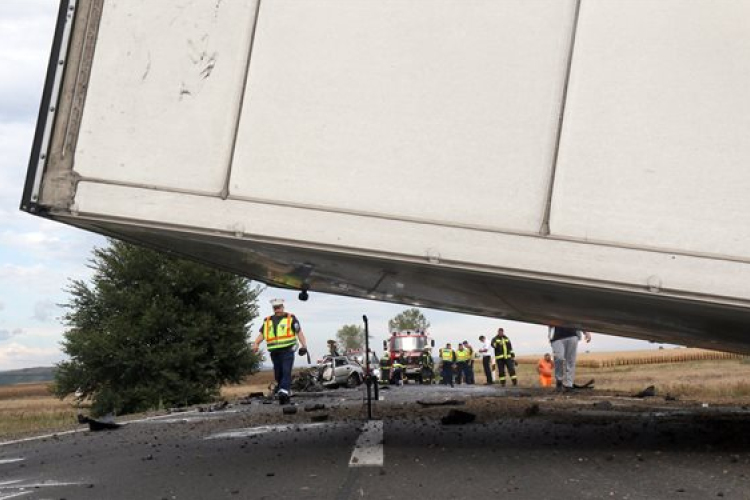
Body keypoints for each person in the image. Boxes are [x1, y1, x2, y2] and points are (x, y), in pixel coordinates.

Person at [253, 298, 308, 405]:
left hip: (288, 350)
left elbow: (299, 333)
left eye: (279, 307)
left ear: (283, 307)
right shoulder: (267, 320)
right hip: (274, 352)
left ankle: (283, 392)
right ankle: (284, 392)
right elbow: (262, 334)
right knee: (278, 374)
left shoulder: (291, 318)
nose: (277, 309)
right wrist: (256, 344)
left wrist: (304, 345)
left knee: (286, 371)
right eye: (275, 308)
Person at [549, 325, 591, 392]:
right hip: (556, 337)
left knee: (571, 361)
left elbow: (578, 316)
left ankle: (569, 385)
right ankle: (559, 381)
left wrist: (586, 332)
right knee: (559, 358)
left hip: (572, 335)